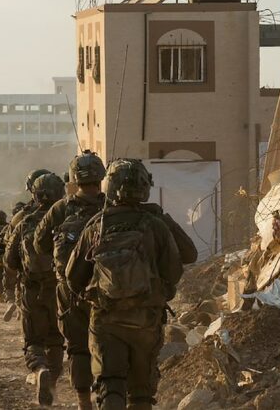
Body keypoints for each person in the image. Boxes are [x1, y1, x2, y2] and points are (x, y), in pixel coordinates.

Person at [66, 159, 183, 410]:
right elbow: (176, 268)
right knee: (141, 394)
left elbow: (73, 276)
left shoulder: (97, 224)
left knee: (111, 385)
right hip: (146, 319)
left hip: (106, 320)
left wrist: (91, 296)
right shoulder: (155, 224)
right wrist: (160, 293)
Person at [33, 150, 106, 410]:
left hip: (70, 290)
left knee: (77, 347)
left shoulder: (61, 209)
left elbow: (39, 244)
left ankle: (83, 401)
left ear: (75, 179)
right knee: (107, 342)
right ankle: (109, 396)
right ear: (101, 177)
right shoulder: (110, 206)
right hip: (106, 289)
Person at [6, 173, 66, 406]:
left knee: (33, 340)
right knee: (56, 339)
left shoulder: (24, 222)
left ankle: (39, 368)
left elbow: (10, 262)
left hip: (31, 290)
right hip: (60, 292)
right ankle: (50, 382)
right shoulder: (67, 219)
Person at [2, 172, 50, 321]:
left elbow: (9, 252)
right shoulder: (66, 211)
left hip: (30, 280)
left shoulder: (22, 217)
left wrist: (8, 288)